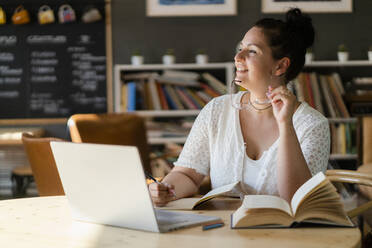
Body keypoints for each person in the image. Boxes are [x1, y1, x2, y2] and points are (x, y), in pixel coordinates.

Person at [149, 8, 330, 206]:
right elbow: (188, 175)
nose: (238, 57)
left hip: (283, 233)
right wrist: (166, 189)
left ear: (280, 66)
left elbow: (297, 200)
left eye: (252, 51)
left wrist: (285, 125)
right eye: (240, 48)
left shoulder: (313, 125)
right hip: (222, 231)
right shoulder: (216, 110)